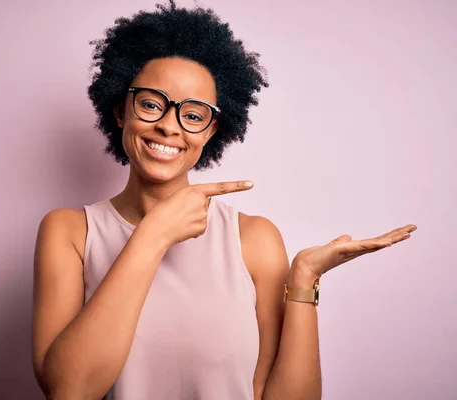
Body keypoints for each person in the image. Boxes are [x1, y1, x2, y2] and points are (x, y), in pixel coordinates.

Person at [31, 2, 417, 399]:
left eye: (193, 115)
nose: (168, 125)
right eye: (150, 104)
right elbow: (69, 389)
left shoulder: (255, 239)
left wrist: (303, 280)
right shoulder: (69, 232)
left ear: (212, 130)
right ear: (119, 110)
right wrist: (153, 235)